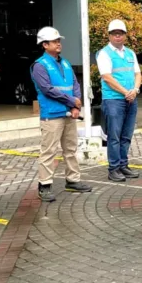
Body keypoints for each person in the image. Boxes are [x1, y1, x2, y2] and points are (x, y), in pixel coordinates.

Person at [31, 27, 92, 202]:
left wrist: (76, 105)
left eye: (59, 41)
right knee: (49, 151)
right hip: (52, 114)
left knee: (70, 149)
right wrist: (72, 101)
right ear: (44, 45)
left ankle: (73, 180)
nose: (59, 44)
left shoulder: (65, 63)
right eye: (54, 41)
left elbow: (75, 84)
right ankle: (44, 185)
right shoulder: (39, 66)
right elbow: (47, 90)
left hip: (68, 113)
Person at [97, 20, 141, 182]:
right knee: (114, 136)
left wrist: (135, 90)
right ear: (109, 35)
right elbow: (107, 77)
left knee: (126, 135)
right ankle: (114, 168)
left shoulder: (130, 53)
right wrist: (125, 92)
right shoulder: (104, 54)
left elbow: (137, 74)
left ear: (125, 35)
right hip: (114, 100)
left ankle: (123, 164)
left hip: (131, 98)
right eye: (114, 33)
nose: (118, 36)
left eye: (120, 33)